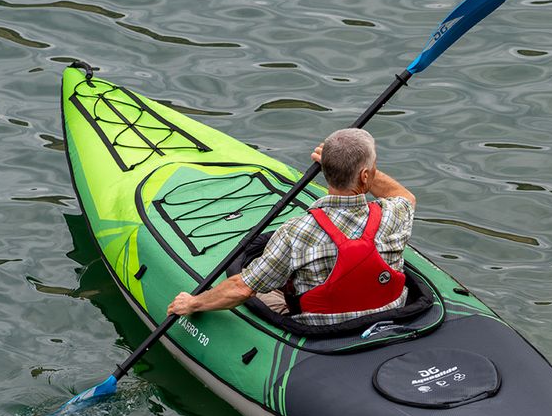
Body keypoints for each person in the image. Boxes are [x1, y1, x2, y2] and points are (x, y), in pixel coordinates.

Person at [166, 128, 416, 326]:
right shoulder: (394, 214)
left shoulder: (296, 231)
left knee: (260, 286)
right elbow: (404, 195)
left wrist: (193, 303)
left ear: (325, 171)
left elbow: (242, 288)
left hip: (321, 329)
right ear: (365, 175)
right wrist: (361, 167)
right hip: (389, 313)